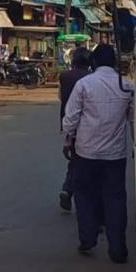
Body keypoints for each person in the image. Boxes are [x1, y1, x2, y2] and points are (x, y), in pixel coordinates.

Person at [62, 44, 134, 264]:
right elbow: (134, 121)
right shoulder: (127, 86)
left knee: (85, 197)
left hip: (86, 152)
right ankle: (118, 249)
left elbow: (71, 118)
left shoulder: (85, 85)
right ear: (114, 62)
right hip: (115, 155)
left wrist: (67, 140)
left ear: (93, 62)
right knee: (115, 200)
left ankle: (87, 238)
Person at [57, 47, 92, 212]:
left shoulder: (64, 76)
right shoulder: (90, 79)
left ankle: (67, 189)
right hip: (87, 125)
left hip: (68, 122)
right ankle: (72, 191)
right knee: (82, 162)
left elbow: (60, 97)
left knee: (75, 159)